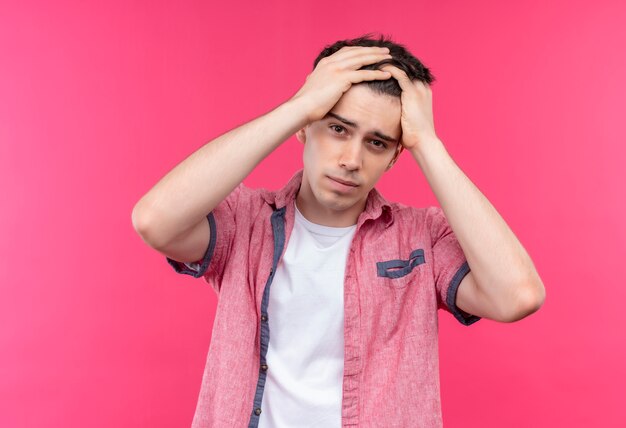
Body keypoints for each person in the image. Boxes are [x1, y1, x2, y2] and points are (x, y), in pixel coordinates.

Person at [132, 33, 545, 428]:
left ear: (395, 156)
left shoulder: (421, 237)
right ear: (304, 128)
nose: (351, 159)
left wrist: (428, 143)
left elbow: (517, 296)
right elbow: (155, 220)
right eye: (337, 128)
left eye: (377, 143)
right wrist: (299, 105)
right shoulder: (246, 222)